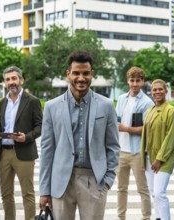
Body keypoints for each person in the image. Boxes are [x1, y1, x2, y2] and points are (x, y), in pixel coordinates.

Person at [39, 50, 120, 220]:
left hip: (94, 180)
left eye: (85, 73)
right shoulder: (51, 107)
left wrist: (107, 180)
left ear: (92, 74)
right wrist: (44, 190)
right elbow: (47, 150)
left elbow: (112, 146)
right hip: (61, 182)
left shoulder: (106, 106)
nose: (81, 78)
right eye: (76, 73)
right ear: (68, 74)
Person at [0, 66, 43, 220]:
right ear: (5, 82)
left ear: (21, 80)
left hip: (24, 152)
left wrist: (26, 137)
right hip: (4, 153)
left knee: (27, 193)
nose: (11, 82)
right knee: (6, 194)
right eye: (8, 79)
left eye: (14, 78)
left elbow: (40, 127)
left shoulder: (32, 101)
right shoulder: (1, 103)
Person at [115, 66, 153, 220]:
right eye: (132, 80)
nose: (135, 84)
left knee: (142, 189)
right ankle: (120, 217)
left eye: (138, 81)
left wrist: (126, 128)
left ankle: (146, 217)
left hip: (137, 152)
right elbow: (116, 120)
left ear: (143, 82)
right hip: (120, 152)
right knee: (121, 189)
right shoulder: (122, 99)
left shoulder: (147, 102)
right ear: (127, 81)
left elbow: (147, 129)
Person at [140, 79, 174, 220]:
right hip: (148, 157)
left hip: (163, 159)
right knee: (153, 193)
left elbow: (171, 137)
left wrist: (159, 159)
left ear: (166, 91)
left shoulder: (171, 111)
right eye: (154, 90)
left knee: (159, 193)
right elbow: (145, 136)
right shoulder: (150, 110)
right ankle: (158, 217)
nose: (157, 92)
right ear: (151, 92)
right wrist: (142, 160)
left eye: (160, 89)